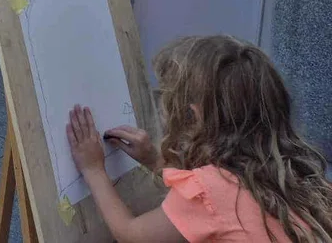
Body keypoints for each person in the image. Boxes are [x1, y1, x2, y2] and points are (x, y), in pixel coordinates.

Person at [67, 35, 332, 243]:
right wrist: (153, 160)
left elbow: (131, 234)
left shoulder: (213, 191)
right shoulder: (290, 168)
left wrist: (93, 170)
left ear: (191, 116)